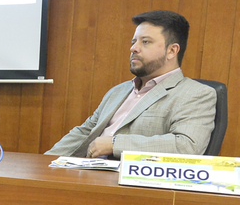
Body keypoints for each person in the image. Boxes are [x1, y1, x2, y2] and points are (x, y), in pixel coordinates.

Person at [46, 10, 216, 158]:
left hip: (130, 180)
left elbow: (186, 146)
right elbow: (85, 132)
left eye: (145, 42)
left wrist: (115, 144)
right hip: (87, 172)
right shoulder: (118, 91)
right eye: (134, 42)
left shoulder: (196, 94)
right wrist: (45, 163)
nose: (133, 48)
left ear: (172, 51)